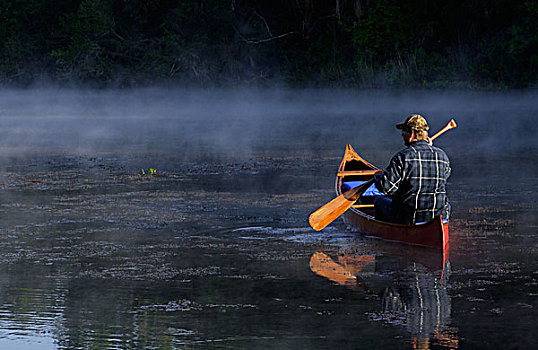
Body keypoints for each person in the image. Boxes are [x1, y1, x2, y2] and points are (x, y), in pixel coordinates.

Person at [373, 114, 451, 224]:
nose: (402, 134)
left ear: (412, 133)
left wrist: (377, 176)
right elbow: (444, 177)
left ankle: (384, 235)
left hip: (409, 217)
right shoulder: (442, 156)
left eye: (404, 131)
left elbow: (387, 188)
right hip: (437, 216)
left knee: (379, 201)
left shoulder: (402, 157)